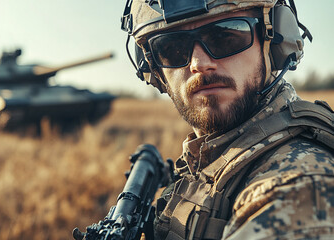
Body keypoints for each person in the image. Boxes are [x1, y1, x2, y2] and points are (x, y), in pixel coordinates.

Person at [120, 0, 334, 239]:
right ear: (151, 67)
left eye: (224, 37)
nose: (199, 64)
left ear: (275, 41)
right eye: (172, 48)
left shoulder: (298, 188)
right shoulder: (212, 157)